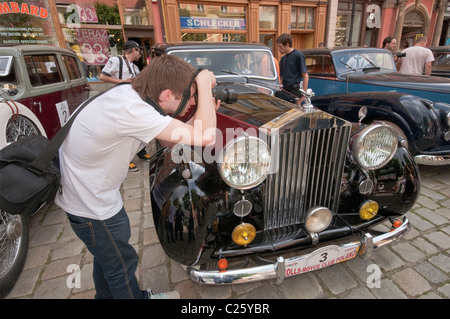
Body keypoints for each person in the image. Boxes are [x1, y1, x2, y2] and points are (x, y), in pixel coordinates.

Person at [55, 54, 219, 299]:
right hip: (92, 205)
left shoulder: (129, 97)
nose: (193, 102)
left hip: (86, 196)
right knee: (121, 265)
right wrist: (204, 85)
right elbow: (206, 137)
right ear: (166, 95)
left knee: (108, 260)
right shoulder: (132, 110)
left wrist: (202, 114)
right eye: (191, 95)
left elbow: (167, 139)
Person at [100, 40, 150, 172]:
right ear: (134, 50)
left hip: (132, 101)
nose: (140, 54)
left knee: (138, 127)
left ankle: (140, 150)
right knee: (125, 132)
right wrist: (122, 81)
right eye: (139, 51)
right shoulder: (116, 61)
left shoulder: (135, 67)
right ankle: (126, 160)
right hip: (120, 103)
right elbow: (103, 76)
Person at [276, 33, 309, 106]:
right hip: (285, 91)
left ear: (287, 45)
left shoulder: (298, 55)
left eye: (280, 46)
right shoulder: (283, 59)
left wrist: (303, 96)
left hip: (295, 91)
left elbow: (305, 75)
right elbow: (281, 77)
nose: (278, 49)